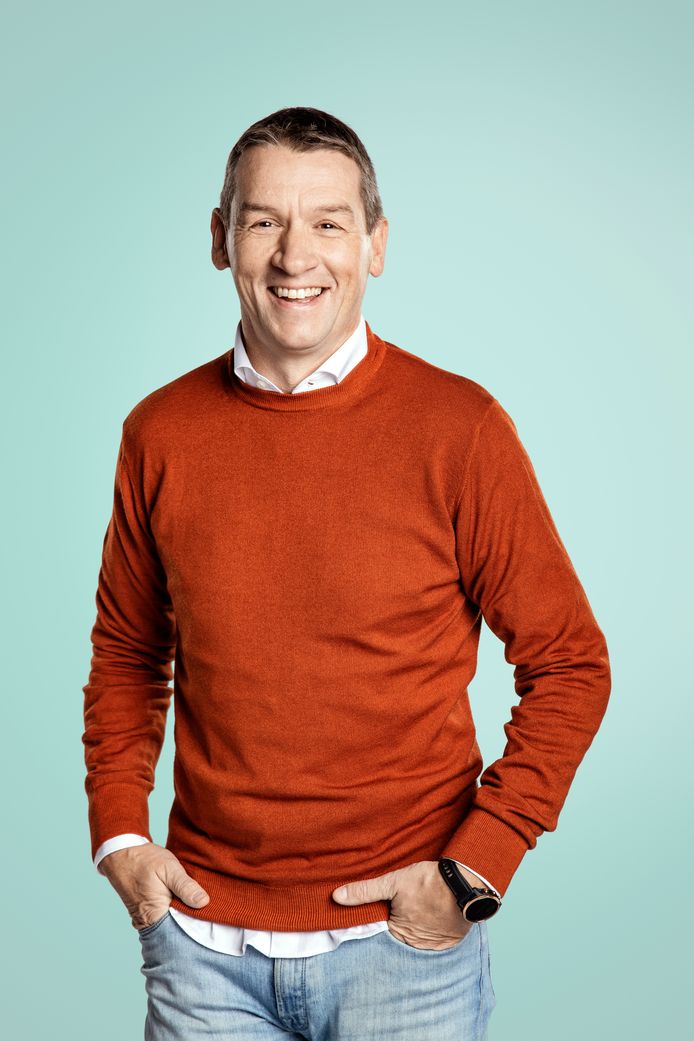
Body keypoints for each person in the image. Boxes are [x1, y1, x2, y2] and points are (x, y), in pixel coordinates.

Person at [82, 106, 612, 1041]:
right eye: (264, 220)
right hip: (202, 945)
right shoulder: (158, 432)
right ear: (221, 239)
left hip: (405, 950)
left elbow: (570, 663)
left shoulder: (460, 429)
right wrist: (121, 837)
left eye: (328, 222)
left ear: (375, 244)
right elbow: (129, 652)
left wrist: (476, 867)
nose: (296, 255)